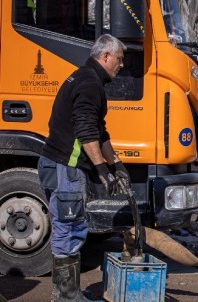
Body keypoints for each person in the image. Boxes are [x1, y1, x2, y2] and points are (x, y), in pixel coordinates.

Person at [38, 34, 130, 302]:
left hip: (55, 164)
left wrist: (117, 164)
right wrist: (102, 170)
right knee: (69, 228)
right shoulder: (89, 83)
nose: (121, 65)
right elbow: (86, 130)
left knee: (68, 226)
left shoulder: (84, 77)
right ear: (105, 57)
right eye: (120, 59)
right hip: (66, 167)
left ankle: (64, 294)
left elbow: (99, 132)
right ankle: (67, 297)